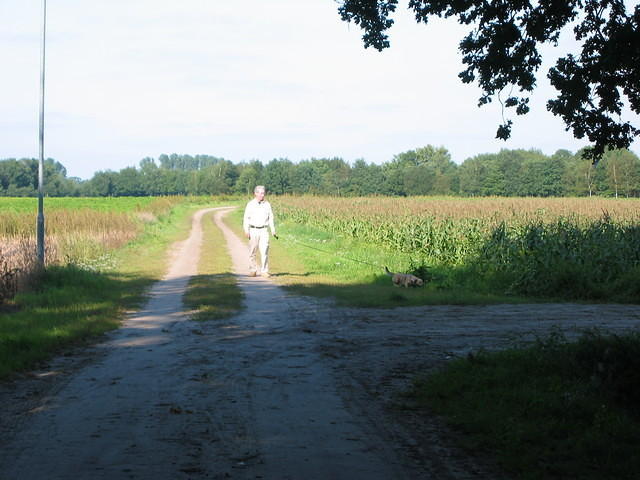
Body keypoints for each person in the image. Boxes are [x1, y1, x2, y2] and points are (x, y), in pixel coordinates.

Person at [242, 185, 276, 277]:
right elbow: (246, 218)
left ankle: (264, 271)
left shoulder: (267, 204)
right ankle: (253, 270)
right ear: (255, 193)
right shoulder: (250, 204)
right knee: (252, 251)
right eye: (260, 193)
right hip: (253, 230)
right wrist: (246, 230)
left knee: (264, 251)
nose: (262, 195)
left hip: (264, 230)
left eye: (263, 193)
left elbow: (271, 218)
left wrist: (273, 230)